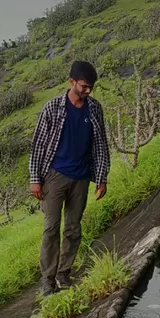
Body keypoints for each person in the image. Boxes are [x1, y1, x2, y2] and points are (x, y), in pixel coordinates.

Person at [28, 59, 110, 297]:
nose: (87, 91)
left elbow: (100, 145)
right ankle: (47, 279)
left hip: (82, 177)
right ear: (71, 82)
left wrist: (101, 177)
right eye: (84, 86)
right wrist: (35, 179)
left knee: (73, 228)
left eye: (90, 87)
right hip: (55, 176)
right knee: (51, 228)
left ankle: (64, 274)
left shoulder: (94, 108)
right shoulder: (52, 108)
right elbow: (38, 146)